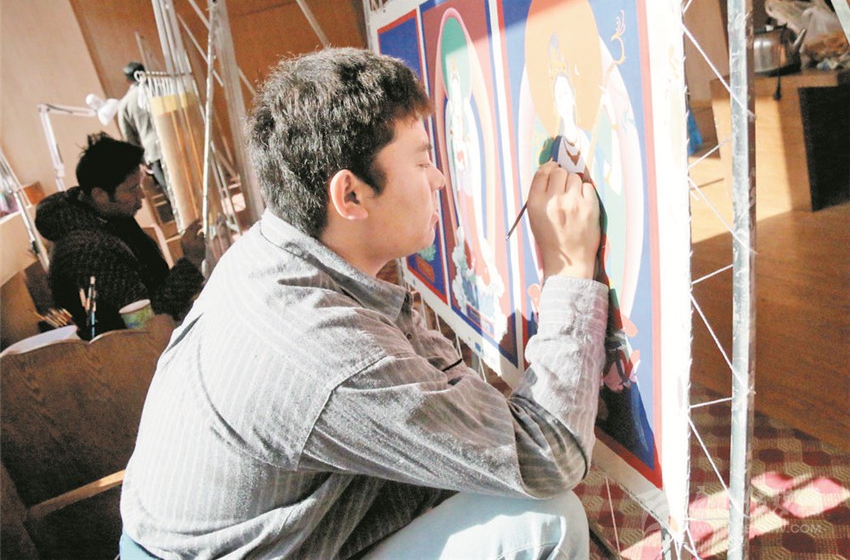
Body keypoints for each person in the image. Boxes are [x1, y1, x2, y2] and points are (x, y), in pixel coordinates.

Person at [120, 48, 608, 559]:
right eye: (422, 161)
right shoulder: (326, 351)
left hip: (234, 532)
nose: (439, 179)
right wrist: (568, 270)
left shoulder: (267, 248)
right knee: (547, 521)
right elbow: (548, 455)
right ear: (350, 196)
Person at [35, 133, 205, 339]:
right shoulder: (88, 251)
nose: (141, 195)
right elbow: (148, 319)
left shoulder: (105, 216)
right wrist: (191, 261)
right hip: (123, 348)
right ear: (100, 195)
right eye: (133, 188)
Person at [118, 61, 168, 193]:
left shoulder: (125, 104)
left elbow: (129, 137)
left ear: (127, 81)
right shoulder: (161, 88)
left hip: (153, 152)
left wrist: (140, 161)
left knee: (170, 190)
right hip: (174, 141)